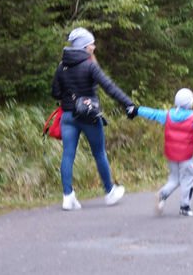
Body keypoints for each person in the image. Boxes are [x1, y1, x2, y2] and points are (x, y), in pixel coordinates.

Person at [51, 27, 138, 210]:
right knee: (99, 153)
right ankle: (110, 192)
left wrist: (69, 96)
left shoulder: (62, 66)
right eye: (91, 43)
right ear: (84, 46)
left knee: (68, 155)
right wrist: (128, 104)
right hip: (89, 116)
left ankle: (68, 197)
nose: (94, 46)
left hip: (67, 116)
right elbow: (109, 87)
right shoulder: (90, 65)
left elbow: (55, 92)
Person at [134, 87, 193, 217]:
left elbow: (152, 113)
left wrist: (136, 110)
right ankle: (185, 206)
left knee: (175, 179)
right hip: (185, 155)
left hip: (171, 154)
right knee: (189, 177)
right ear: (190, 102)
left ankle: (162, 195)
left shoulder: (168, 115)